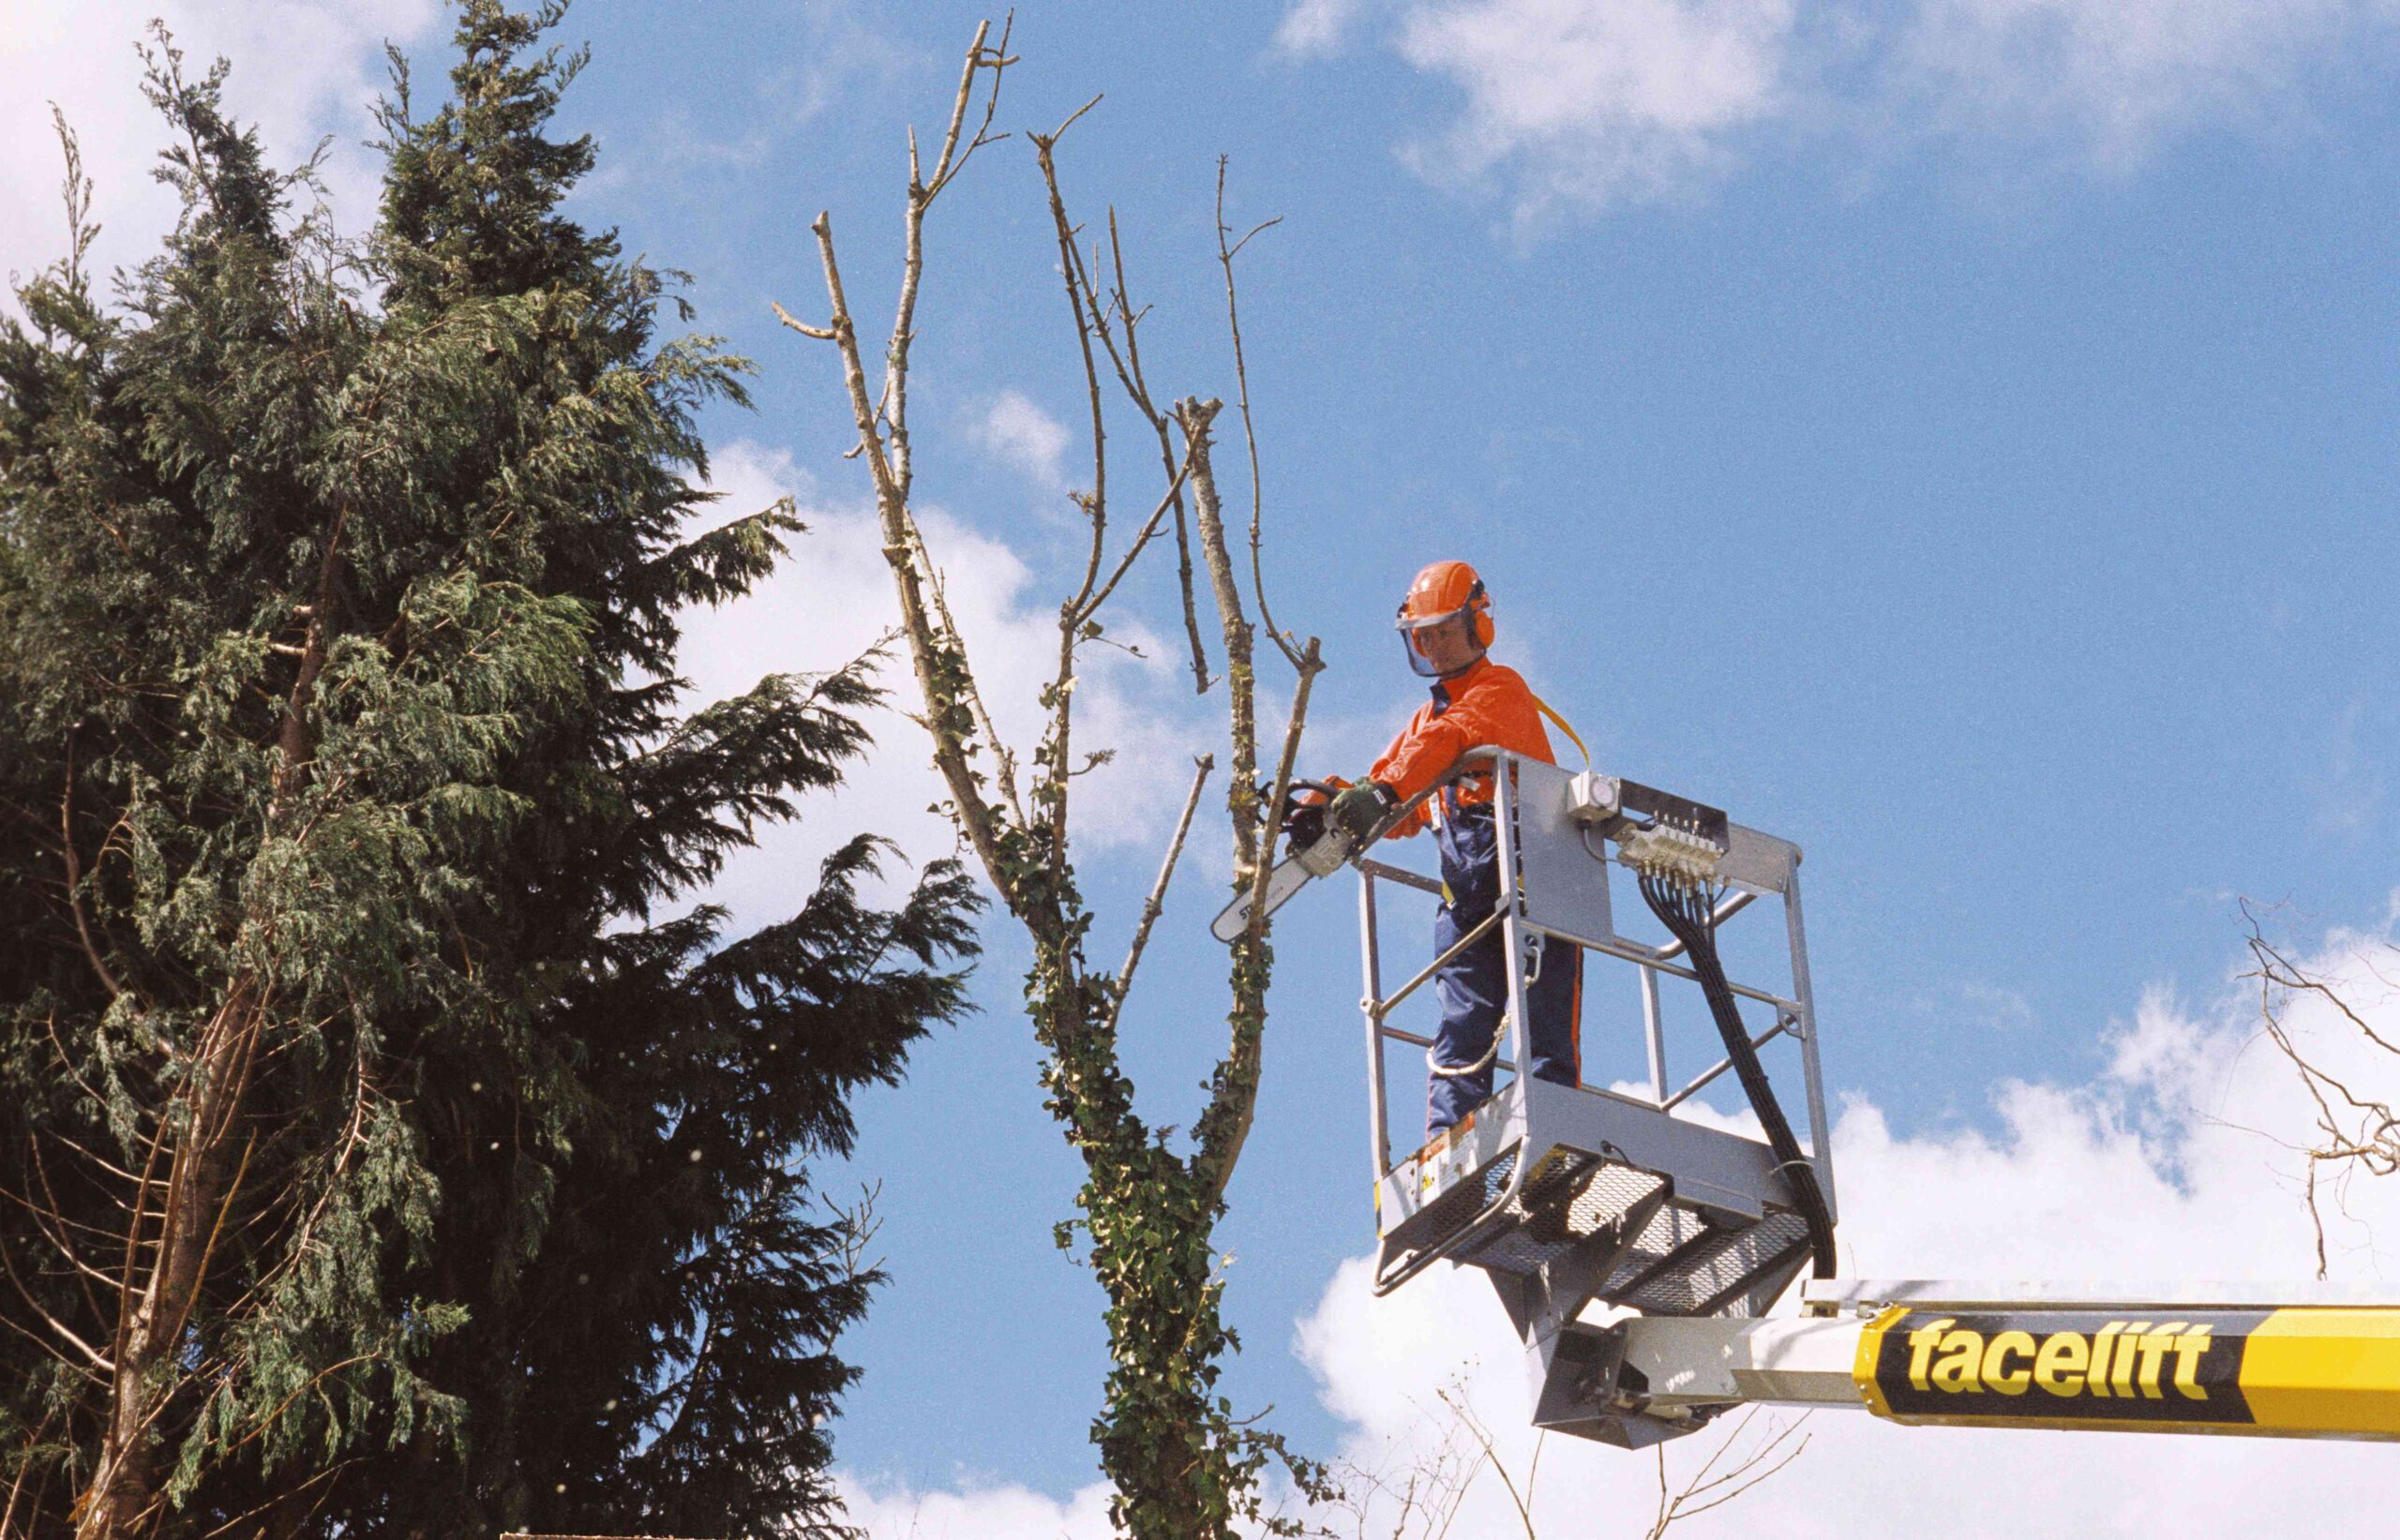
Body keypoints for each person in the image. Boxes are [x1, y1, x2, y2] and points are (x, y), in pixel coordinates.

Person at [1323, 560, 1582, 1134]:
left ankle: (1554, 1137)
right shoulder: (1425, 717)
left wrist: (1387, 788)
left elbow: (1444, 744)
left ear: (1475, 625)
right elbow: (1398, 794)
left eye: (1442, 631)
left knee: (1543, 1020)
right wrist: (1339, 804)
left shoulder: (1499, 689)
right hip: (1466, 893)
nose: (1433, 645)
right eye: (1424, 636)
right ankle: (1449, 1142)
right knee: (1462, 1021)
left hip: (1533, 872)